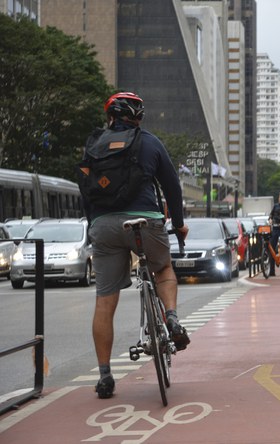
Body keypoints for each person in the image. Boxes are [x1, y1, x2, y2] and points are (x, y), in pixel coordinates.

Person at [83, 92, 190, 400]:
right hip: (145, 220)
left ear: (110, 117)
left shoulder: (93, 145)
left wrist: (96, 224)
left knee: (105, 300)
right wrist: (179, 223)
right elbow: (171, 187)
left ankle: (104, 376)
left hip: (103, 224)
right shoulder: (150, 142)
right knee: (164, 268)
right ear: (139, 118)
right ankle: (170, 317)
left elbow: (85, 190)